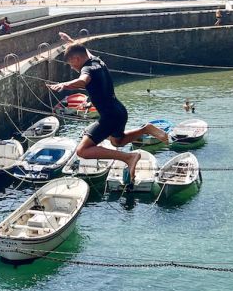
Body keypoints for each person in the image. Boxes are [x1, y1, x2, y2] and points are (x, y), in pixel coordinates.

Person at [48, 32, 169, 189]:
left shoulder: (87, 69)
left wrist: (64, 84)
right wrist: (70, 41)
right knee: (117, 141)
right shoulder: (96, 60)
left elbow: (83, 81)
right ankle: (146, 129)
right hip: (119, 111)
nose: (72, 67)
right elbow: (84, 51)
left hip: (110, 116)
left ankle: (129, 157)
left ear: (76, 59)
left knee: (82, 151)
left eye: (71, 64)